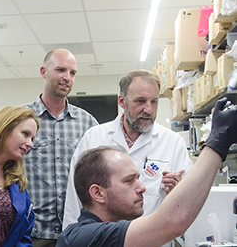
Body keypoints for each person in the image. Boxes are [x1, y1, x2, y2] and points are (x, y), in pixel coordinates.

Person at [56, 97, 237, 247]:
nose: (142, 188)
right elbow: (172, 222)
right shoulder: (84, 237)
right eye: (129, 181)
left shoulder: (112, 228)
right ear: (97, 193)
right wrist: (217, 141)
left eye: (138, 179)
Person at [63, 70, 193, 232]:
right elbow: (75, 196)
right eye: (140, 101)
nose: (148, 109)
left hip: (151, 238)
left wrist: (177, 190)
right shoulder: (95, 137)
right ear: (122, 101)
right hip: (99, 238)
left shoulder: (172, 143)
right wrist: (71, 236)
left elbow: (189, 198)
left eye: (154, 101)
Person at [23, 48, 98, 246]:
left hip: (76, 230)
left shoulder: (87, 123)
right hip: (33, 231)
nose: (67, 77)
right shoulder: (21, 119)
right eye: (61, 70)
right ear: (43, 72)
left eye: (72, 73)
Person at [0, 106, 40, 247]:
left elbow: (22, 236)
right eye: (25, 134)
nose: (30, 144)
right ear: (4, 127)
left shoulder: (17, 182)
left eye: (32, 138)